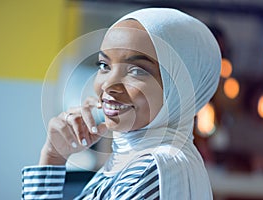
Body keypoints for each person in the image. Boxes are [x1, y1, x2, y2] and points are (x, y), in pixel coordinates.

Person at [22, 8, 221, 200]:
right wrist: (53, 157)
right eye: (104, 66)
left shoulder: (149, 170)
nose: (108, 84)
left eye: (137, 70)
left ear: (181, 87)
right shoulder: (132, 159)